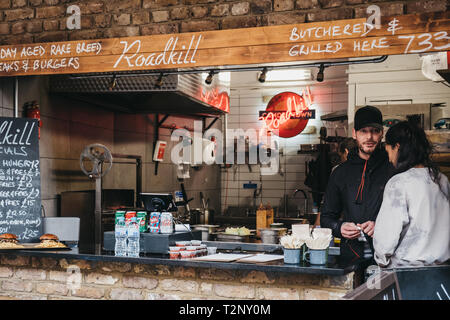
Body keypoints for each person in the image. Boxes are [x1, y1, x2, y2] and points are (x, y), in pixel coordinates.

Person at [320, 106, 394, 260]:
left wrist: (380, 226)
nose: (369, 137)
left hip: (388, 257)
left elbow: (408, 216)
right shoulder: (340, 173)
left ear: (382, 133)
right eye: (363, 131)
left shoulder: (393, 169)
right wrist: (339, 228)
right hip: (351, 256)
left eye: (374, 131)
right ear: (354, 133)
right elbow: (326, 217)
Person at [373, 121, 450, 268]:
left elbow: (385, 241)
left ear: (397, 147)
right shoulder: (442, 180)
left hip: (408, 274)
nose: (389, 158)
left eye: (388, 150)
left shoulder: (399, 183)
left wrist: (383, 261)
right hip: (444, 272)